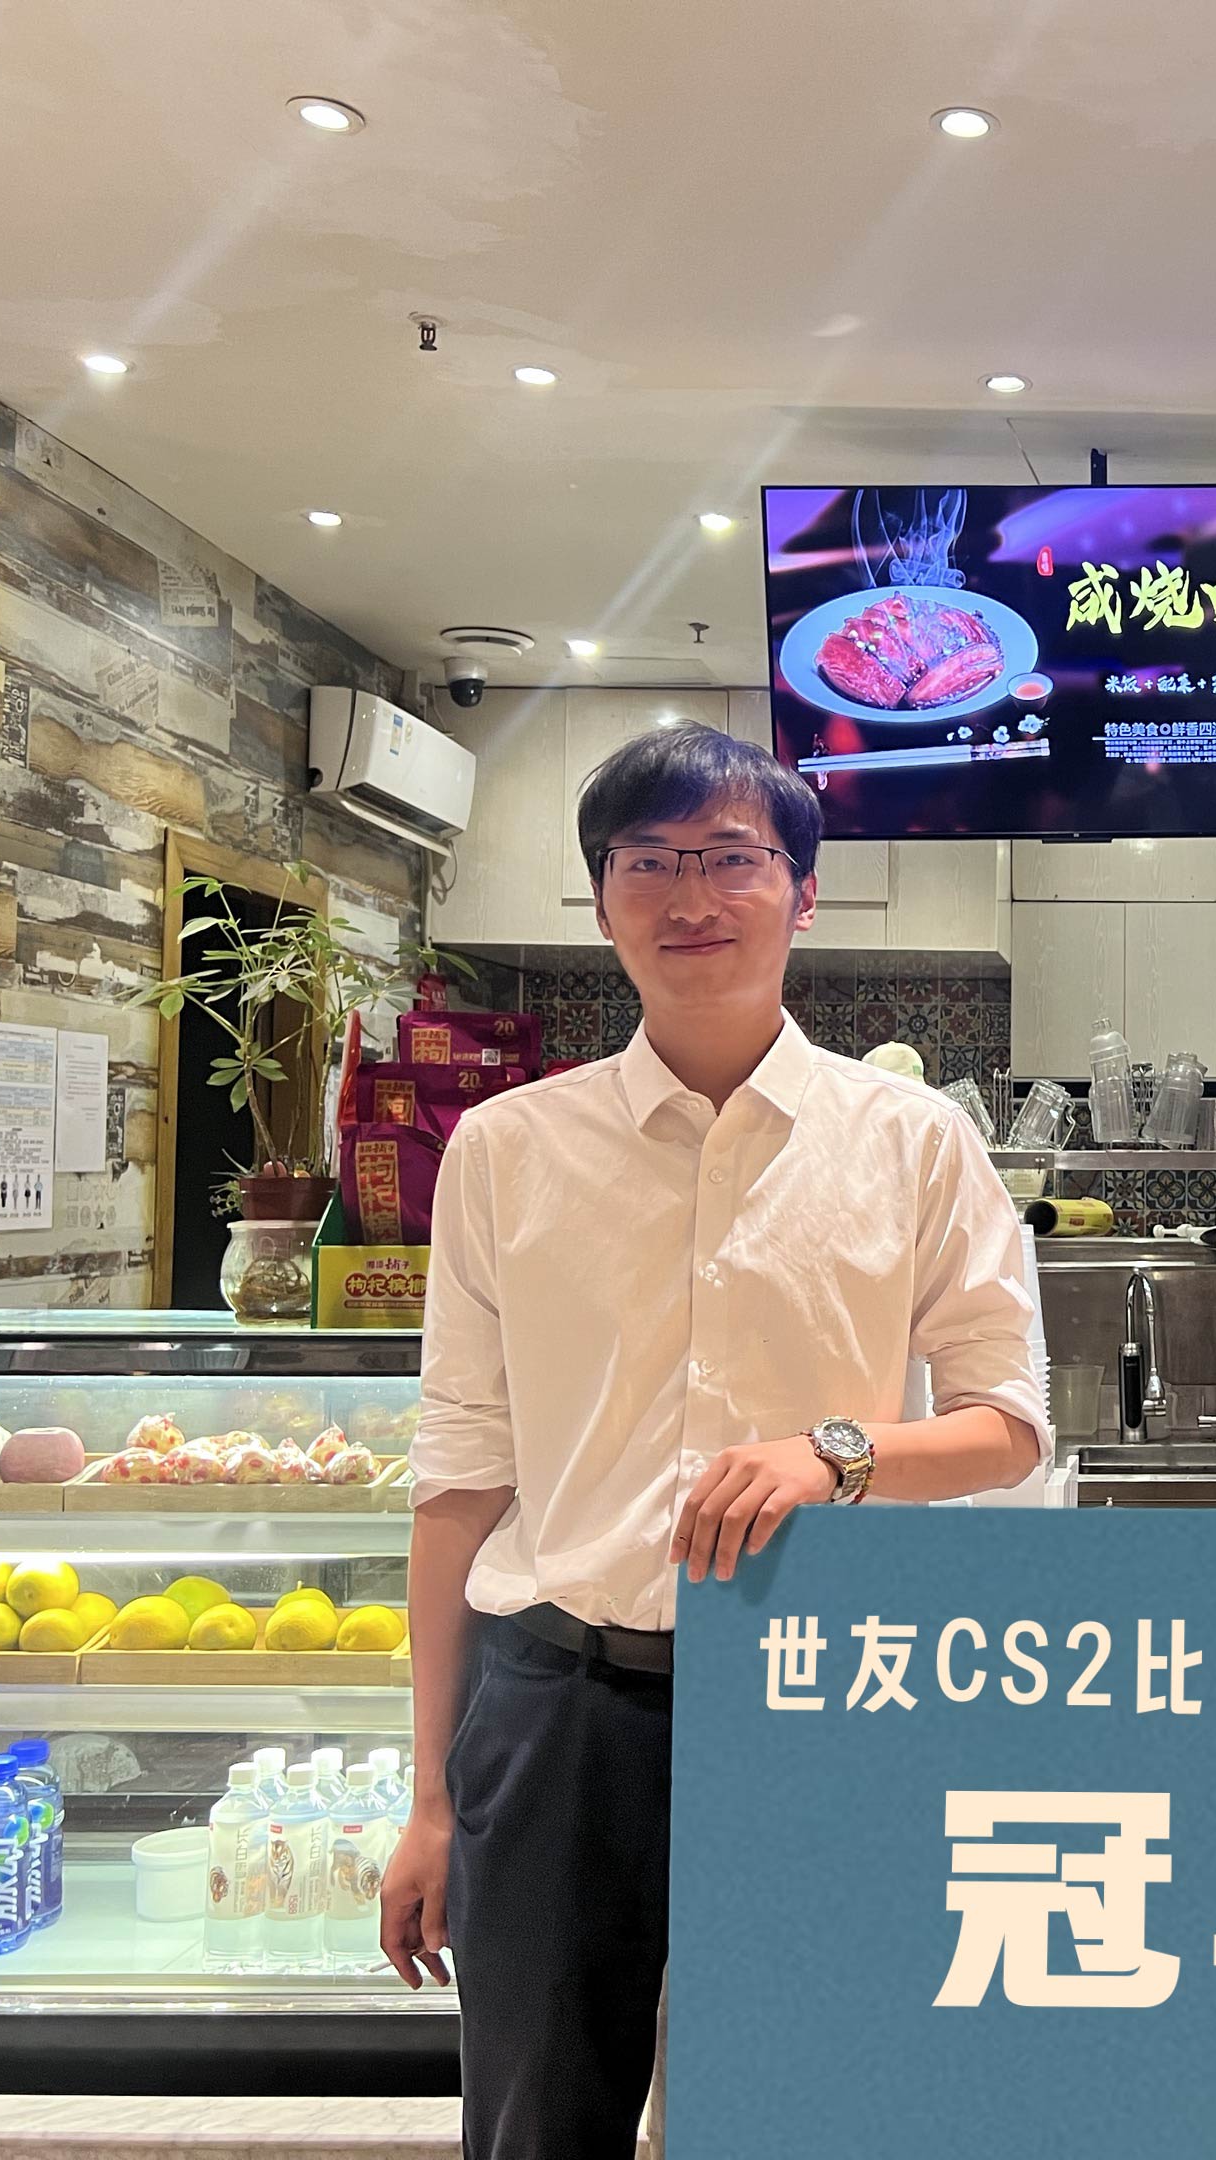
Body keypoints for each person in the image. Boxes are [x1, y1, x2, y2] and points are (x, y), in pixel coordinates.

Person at [379, 724, 1047, 2160]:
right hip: (557, 1706)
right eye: (650, 862)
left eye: (731, 858)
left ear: (803, 893)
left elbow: (1007, 1427)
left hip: (826, 1693)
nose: (691, 896)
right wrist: (428, 1796)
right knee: (534, 2125)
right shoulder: (506, 1150)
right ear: (601, 899)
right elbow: (459, 1484)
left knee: (799, 2117)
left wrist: (835, 1455)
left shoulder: (915, 1141)